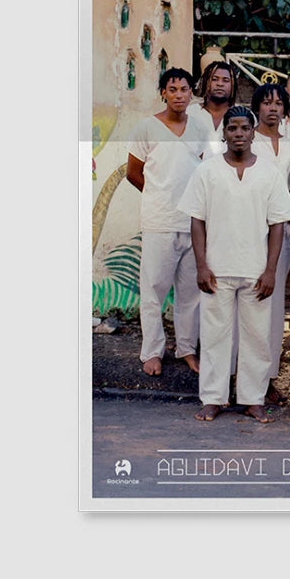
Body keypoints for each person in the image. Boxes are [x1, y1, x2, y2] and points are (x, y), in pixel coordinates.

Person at [178, 106, 290, 423]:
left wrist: (270, 270)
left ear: (253, 132)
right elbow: (197, 221)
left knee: (257, 337)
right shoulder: (207, 171)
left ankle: (252, 399)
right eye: (232, 128)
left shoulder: (269, 173)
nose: (239, 134)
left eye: (245, 128)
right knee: (214, 336)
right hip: (216, 269)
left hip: (256, 270)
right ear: (224, 133)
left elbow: (277, 225)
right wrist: (201, 266)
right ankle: (213, 398)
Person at [125, 68, 208, 377]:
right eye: (172, 89)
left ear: (191, 93)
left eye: (184, 89)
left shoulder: (199, 129)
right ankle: (152, 352)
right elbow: (133, 173)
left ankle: (186, 349)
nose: (178, 95)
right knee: (153, 291)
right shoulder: (146, 128)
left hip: (192, 224)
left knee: (190, 294)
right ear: (163, 93)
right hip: (158, 222)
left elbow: (204, 171)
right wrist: (158, 197)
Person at [250, 81, 290, 405]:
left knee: (274, 306)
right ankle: (241, 376)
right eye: (267, 103)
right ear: (258, 107)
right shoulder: (248, 139)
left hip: (281, 231)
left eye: (278, 103)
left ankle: (267, 378)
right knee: (250, 302)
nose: (273, 108)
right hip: (250, 229)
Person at [188, 60, 238, 159]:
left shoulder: (243, 115)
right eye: (214, 79)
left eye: (225, 80)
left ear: (232, 85)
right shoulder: (190, 113)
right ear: (206, 82)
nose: (220, 84)